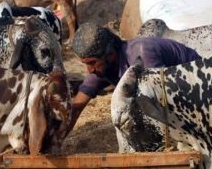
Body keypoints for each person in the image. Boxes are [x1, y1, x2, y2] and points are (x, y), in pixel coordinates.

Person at [69, 23, 201, 132]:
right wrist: (57, 137)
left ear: (110, 54)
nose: (90, 70)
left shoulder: (142, 53)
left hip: (197, 88)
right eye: (86, 64)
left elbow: (162, 99)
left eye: (92, 63)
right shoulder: (100, 69)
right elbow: (76, 107)